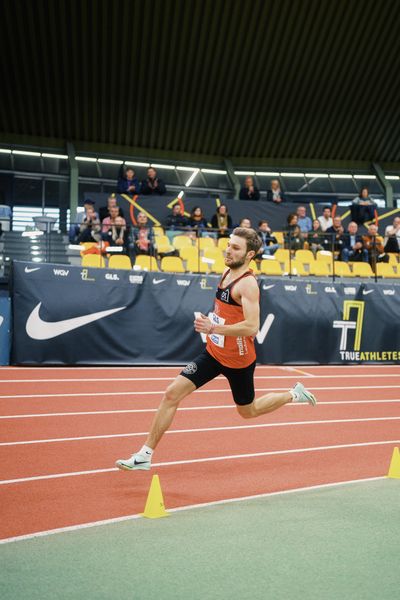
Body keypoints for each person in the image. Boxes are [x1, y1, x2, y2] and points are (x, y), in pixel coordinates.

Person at [115, 227, 317, 471]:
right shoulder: (226, 272)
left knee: (248, 412)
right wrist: (211, 321)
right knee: (172, 394)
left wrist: (213, 328)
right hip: (213, 353)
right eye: (229, 245)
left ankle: (294, 394)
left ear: (250, 254)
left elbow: (252, 327)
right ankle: (145, 455)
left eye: (235, 248)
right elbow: (226, 311)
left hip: (239, 360)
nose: (228, 250)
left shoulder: (248, 285)